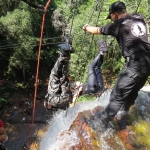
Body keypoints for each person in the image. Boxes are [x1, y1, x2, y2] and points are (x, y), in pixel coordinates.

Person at [83, 1, 150, 131]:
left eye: (111, 16)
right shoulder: (139, 18)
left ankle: (101, 124)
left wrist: (86, 27)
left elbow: (95, 30)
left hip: (135, 63)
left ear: (115, 14)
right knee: (133, 90)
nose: (111, 19)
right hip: (148, 62)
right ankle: (122, 114)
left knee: (117, 94)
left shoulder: (117, 26)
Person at [44, 39, 106, 110]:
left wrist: (76, 88)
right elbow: (75, 95)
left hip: (68, 98)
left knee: (63, 76)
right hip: (56, 98)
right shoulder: (53, 101)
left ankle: (66, 53)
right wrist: (78, 90)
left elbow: (72, 101)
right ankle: (65, 54)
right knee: (56, 74)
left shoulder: (66, 98)